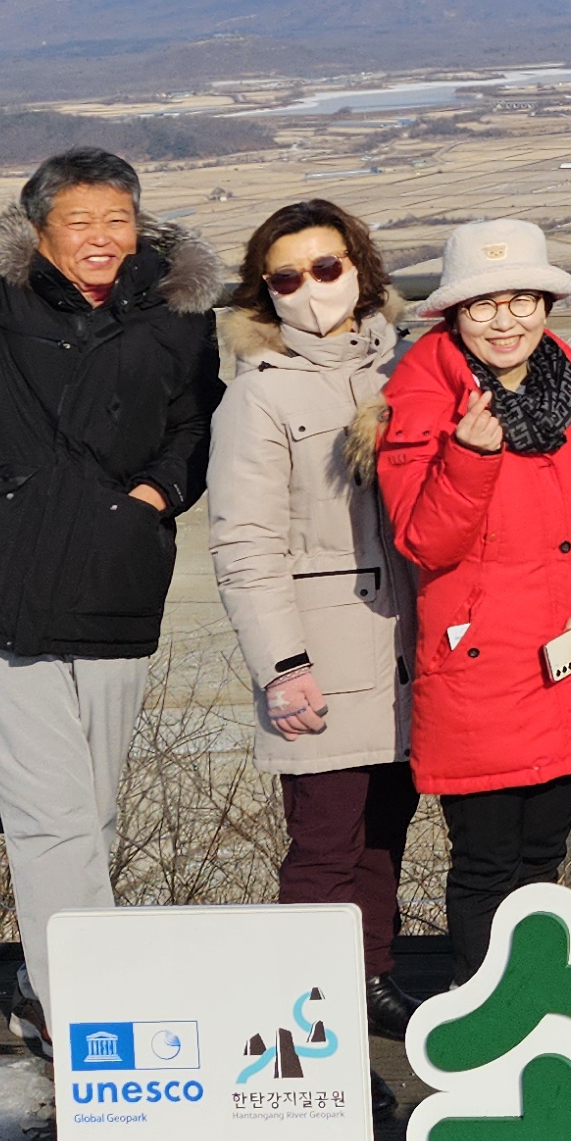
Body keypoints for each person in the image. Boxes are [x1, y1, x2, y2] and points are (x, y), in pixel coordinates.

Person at [0, 11, 216, 1027]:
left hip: (113, 577)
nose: (101, 237)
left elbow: (197, 422)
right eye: (80, 220)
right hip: (0, 578)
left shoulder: (177, 318)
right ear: (39, 230)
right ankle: (79, 1009)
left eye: (119, 218)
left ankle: (54, 977)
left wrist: (155, 496)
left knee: (89, 808)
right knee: (50, 812)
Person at [376, 218, 571, 983]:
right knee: (488, 864)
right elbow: (424, 542)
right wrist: (468, 459)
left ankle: (533, 1001)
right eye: (483, 304)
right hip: (484, 668)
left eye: (522, 300)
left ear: (547, 305)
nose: (506, 321)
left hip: (568, 659)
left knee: (543, 856)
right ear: (454, 313)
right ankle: (483, 1013)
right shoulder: (422, 396)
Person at [204, 197, 414, 1012]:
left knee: (387, 828)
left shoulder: (409, 365)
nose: (311, 289)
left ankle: (372, 975)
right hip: (320, 649)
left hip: (408, 640)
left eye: (326, 267)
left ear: (360, 269)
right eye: (286, 278)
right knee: (325, 838)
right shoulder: (257, 396)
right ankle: (312, 1005)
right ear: (265, 292)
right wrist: (282, 665)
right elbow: (244, 542)